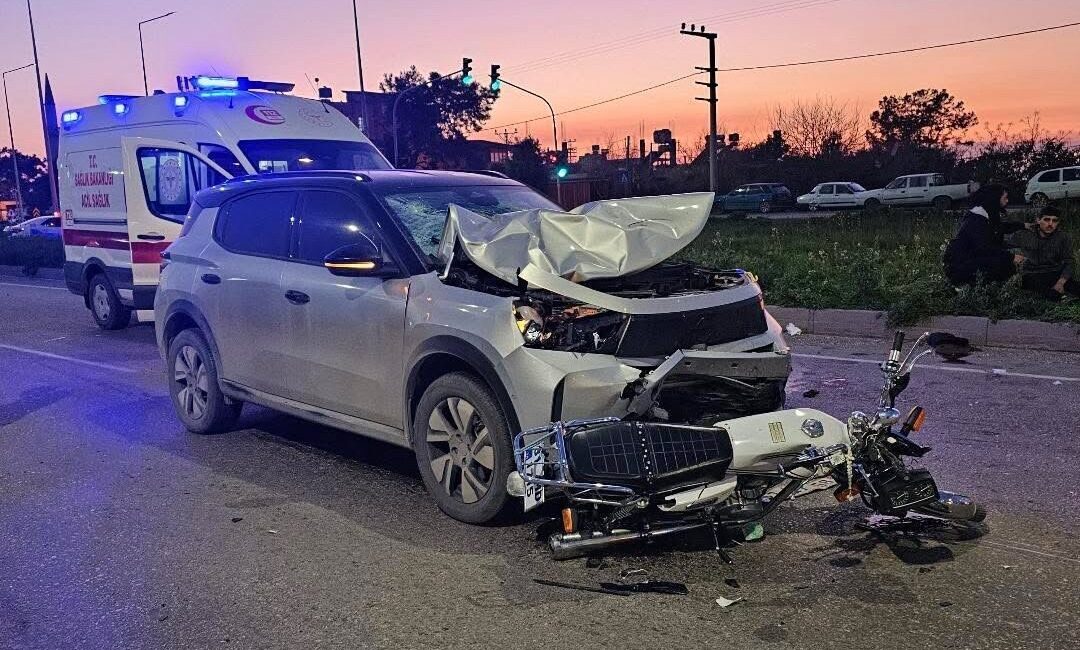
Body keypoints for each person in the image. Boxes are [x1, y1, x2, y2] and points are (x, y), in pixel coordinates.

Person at [943, 183, 1029, 285]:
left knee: (1009, 257)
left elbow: (1000, 227)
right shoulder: (976, 219)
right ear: (994, 199)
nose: (1007, 201)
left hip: (971, 259)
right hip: (961, 267)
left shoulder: (985, 214)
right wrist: (1011, 257)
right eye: (1005, 198)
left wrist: (1023, 225)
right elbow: (984, 248)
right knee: (1006, 264)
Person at [1008, 205, 1078, 300]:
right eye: (1047, 219)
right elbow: (1006, 250)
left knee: (1074, 286)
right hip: (1031, 274)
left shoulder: (1063, 238)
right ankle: (1058, 298)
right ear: (1038, 220)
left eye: (1054, 221)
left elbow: (1069, 262)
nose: (1050, 224)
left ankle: (1061, 295)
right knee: (1033, 284)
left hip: (1053, 272)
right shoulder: (1023, 235)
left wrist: (1060, 282)